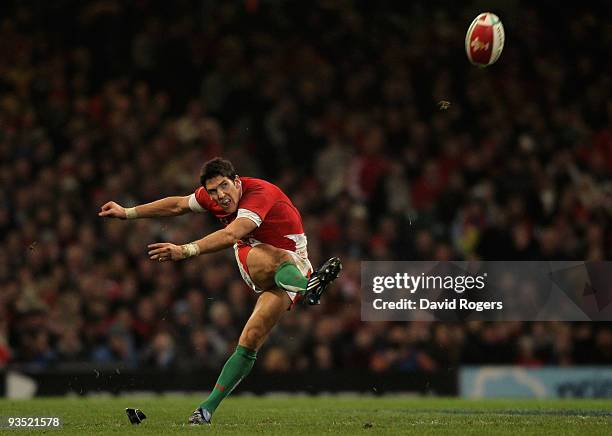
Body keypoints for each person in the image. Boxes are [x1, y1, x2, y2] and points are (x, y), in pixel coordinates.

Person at [99, 157, 341, 424]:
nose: (220, 196)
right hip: (256, 257)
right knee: (272, 257)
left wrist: (184, 249)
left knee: (251, 337)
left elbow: (228, 234)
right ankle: (310, 288)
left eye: (225, 187)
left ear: (237, 182)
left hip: (296, 266)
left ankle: (205, 410)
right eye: (213, 191)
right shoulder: (214, 196)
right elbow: (178, 205)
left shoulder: (259, 194)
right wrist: (128, 212)